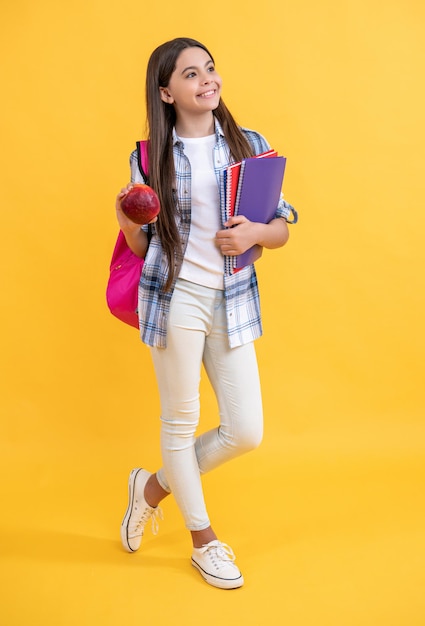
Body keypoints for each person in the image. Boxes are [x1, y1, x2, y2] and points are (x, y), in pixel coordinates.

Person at [115, 37, 297, 590]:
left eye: (210, 69)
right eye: (192, 74)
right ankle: (204, 540)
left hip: (232, 298)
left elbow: (281, 227)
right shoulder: (148, 157)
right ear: (167, 92)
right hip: (174, 298)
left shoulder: (250, 145)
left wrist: (256, 233)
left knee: (245, 430)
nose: (207, 80)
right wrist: (127, 217)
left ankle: (150, 490)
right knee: (181, 420)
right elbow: (144, 247)